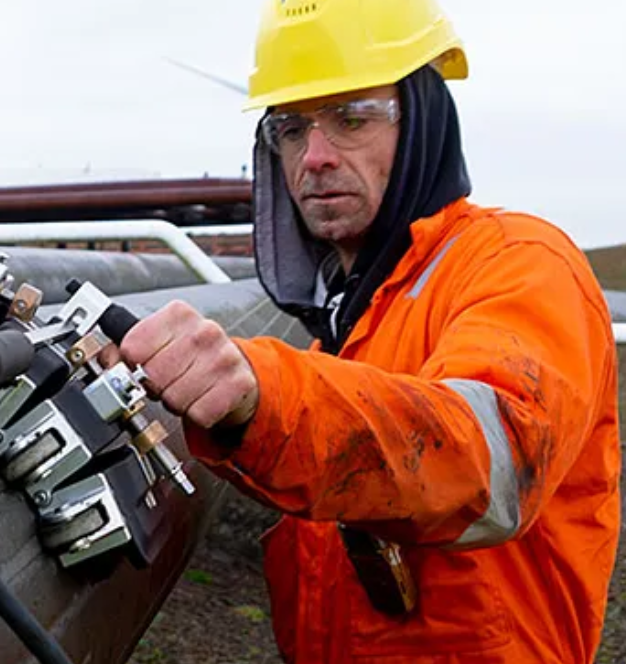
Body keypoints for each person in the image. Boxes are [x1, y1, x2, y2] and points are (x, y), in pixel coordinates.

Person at [105, 1, 621, 662]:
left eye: (351, 118)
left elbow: (486, 468)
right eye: (290, 129)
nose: (314, 158)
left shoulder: (522, 263)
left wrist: (263, 394)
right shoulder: (348, 327)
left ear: (424, 120)